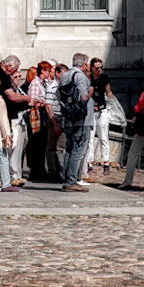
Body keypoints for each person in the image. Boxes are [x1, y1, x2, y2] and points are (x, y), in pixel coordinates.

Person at [58, 52, 94, 191]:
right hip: (81, 119)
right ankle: (71, 181)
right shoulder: (81, 77)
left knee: (69, 149)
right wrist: (91, 90)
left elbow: (59, 95)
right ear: (84, 65)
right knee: (78, 150)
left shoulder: (65, 75)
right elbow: (84, 97)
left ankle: (67, 179)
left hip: (69, 118)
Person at [0, 57, 28, 185]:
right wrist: (28, 98)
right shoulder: (2, 78)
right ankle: (7, 176)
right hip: (9, 119)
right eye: (15, 74)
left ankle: (14, 174)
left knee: (16, 149)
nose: (18, 78)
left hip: (15, 118)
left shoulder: (11, 84)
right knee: (9, 148)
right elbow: (11, 98)